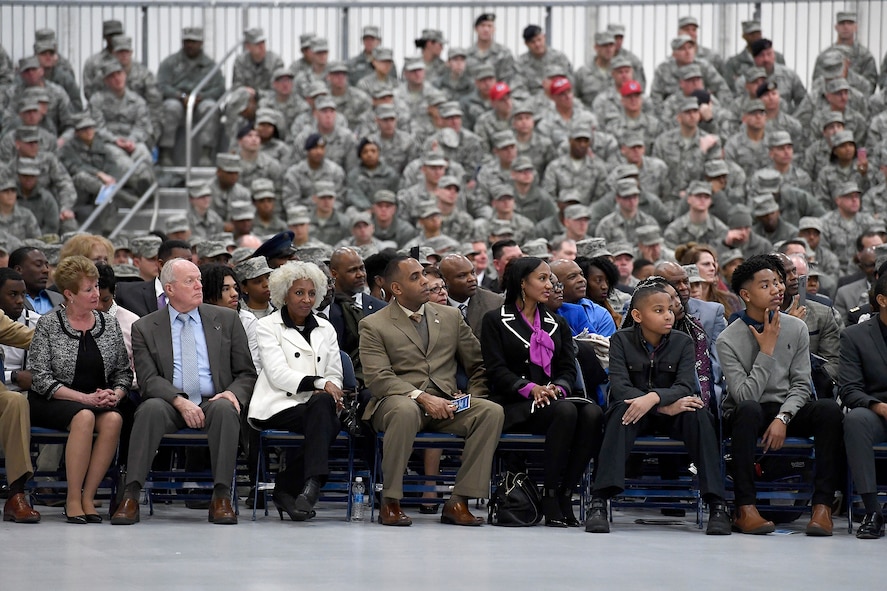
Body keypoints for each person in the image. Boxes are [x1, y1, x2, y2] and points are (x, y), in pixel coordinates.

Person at [359, 255, 504, 526]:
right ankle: (390, 501)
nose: (425, 281)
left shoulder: (450, 317)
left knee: (490, 412)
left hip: (447, 402)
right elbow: (378, 379)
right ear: (396, 289)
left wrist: (472, 395)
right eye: (415, 277)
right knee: (404, 411)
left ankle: (458, 501)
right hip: (398, 401)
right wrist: (422, 397)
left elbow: (479, 364)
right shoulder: (373, 324)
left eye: (423, 275)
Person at [111, 258, 257, 525]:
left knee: (226, 409)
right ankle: (131, 494)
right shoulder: (145, 327)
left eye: (199, 279)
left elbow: (246, 373)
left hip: (214, 399)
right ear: (169, 289)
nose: (199, 286)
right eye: (189, 281)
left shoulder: (226, 319)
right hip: (170, 402)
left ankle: (221, 496)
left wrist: (233, 394)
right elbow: (147, 379)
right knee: (150, 409)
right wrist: (179, 401)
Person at [584, 280, 731, 535]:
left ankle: (717, 504)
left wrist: (652, 399)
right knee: (620, 413)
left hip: (671, 410)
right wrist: (659, 406)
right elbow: (619, 387)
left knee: (698, 414)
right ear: (638, 315)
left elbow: (686, 385)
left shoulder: (683, 341)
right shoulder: (620, 340)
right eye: (659, 310)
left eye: (670, 310)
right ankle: (599, 500)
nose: (668, 315)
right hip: (640, 411)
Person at [716, 254, 844, 536]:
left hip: (786, 410)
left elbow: (801, 384)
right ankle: (745, 509)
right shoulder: (728, 338)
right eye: (766, 285)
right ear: (746, 295)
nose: (777, 289)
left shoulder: (796, 327)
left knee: (828, 410)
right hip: (749, 413)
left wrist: (783, 418)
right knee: (748, 410)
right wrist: (767, 350)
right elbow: (743, 394)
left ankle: (821, 508)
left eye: (777, 282)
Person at [480, 257, 603, 527]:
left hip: (552, 399)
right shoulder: (495, 320)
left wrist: (557, 388)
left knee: (593, 413)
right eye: (543, 279)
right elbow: (496, 370)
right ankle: (548, 495)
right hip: (514, 403)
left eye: (551, 279)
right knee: (566, 410)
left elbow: (568, 370)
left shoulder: (556, 322)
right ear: (522, 283)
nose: (551, 285)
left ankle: (565, 493)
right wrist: (532, 388)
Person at [27, 256, 132, 523]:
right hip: (53, 399)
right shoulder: (48, 324)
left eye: (97, 287)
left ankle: (89, 495)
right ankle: (73, 498)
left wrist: (116, 394)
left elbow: (123, 371)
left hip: (96, 399)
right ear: (69, 294)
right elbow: (39, 378)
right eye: (88, 290)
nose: (96, 294)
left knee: (114, 419)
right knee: (83, 416)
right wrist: (84, 399)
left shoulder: (108, 324)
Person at [247, 261, 343, 521]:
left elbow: (335, 373)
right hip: (278, 403)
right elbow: (277, 374)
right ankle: (303, 485)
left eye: (312, 293)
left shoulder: (326, 328)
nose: (306, 299)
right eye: (299, 293)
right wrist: (320, 384)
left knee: (324, 410)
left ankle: (298, 488)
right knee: (327, 422)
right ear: (284, 294)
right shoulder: (267, 326)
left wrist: (329, 387)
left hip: (316, 404)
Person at [838, 271, 887, 538]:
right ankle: (873, 511)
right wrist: (879, 407)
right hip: (876, 412)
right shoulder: (855, 336)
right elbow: (850, 390)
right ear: (882, 299)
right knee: (854, 420)